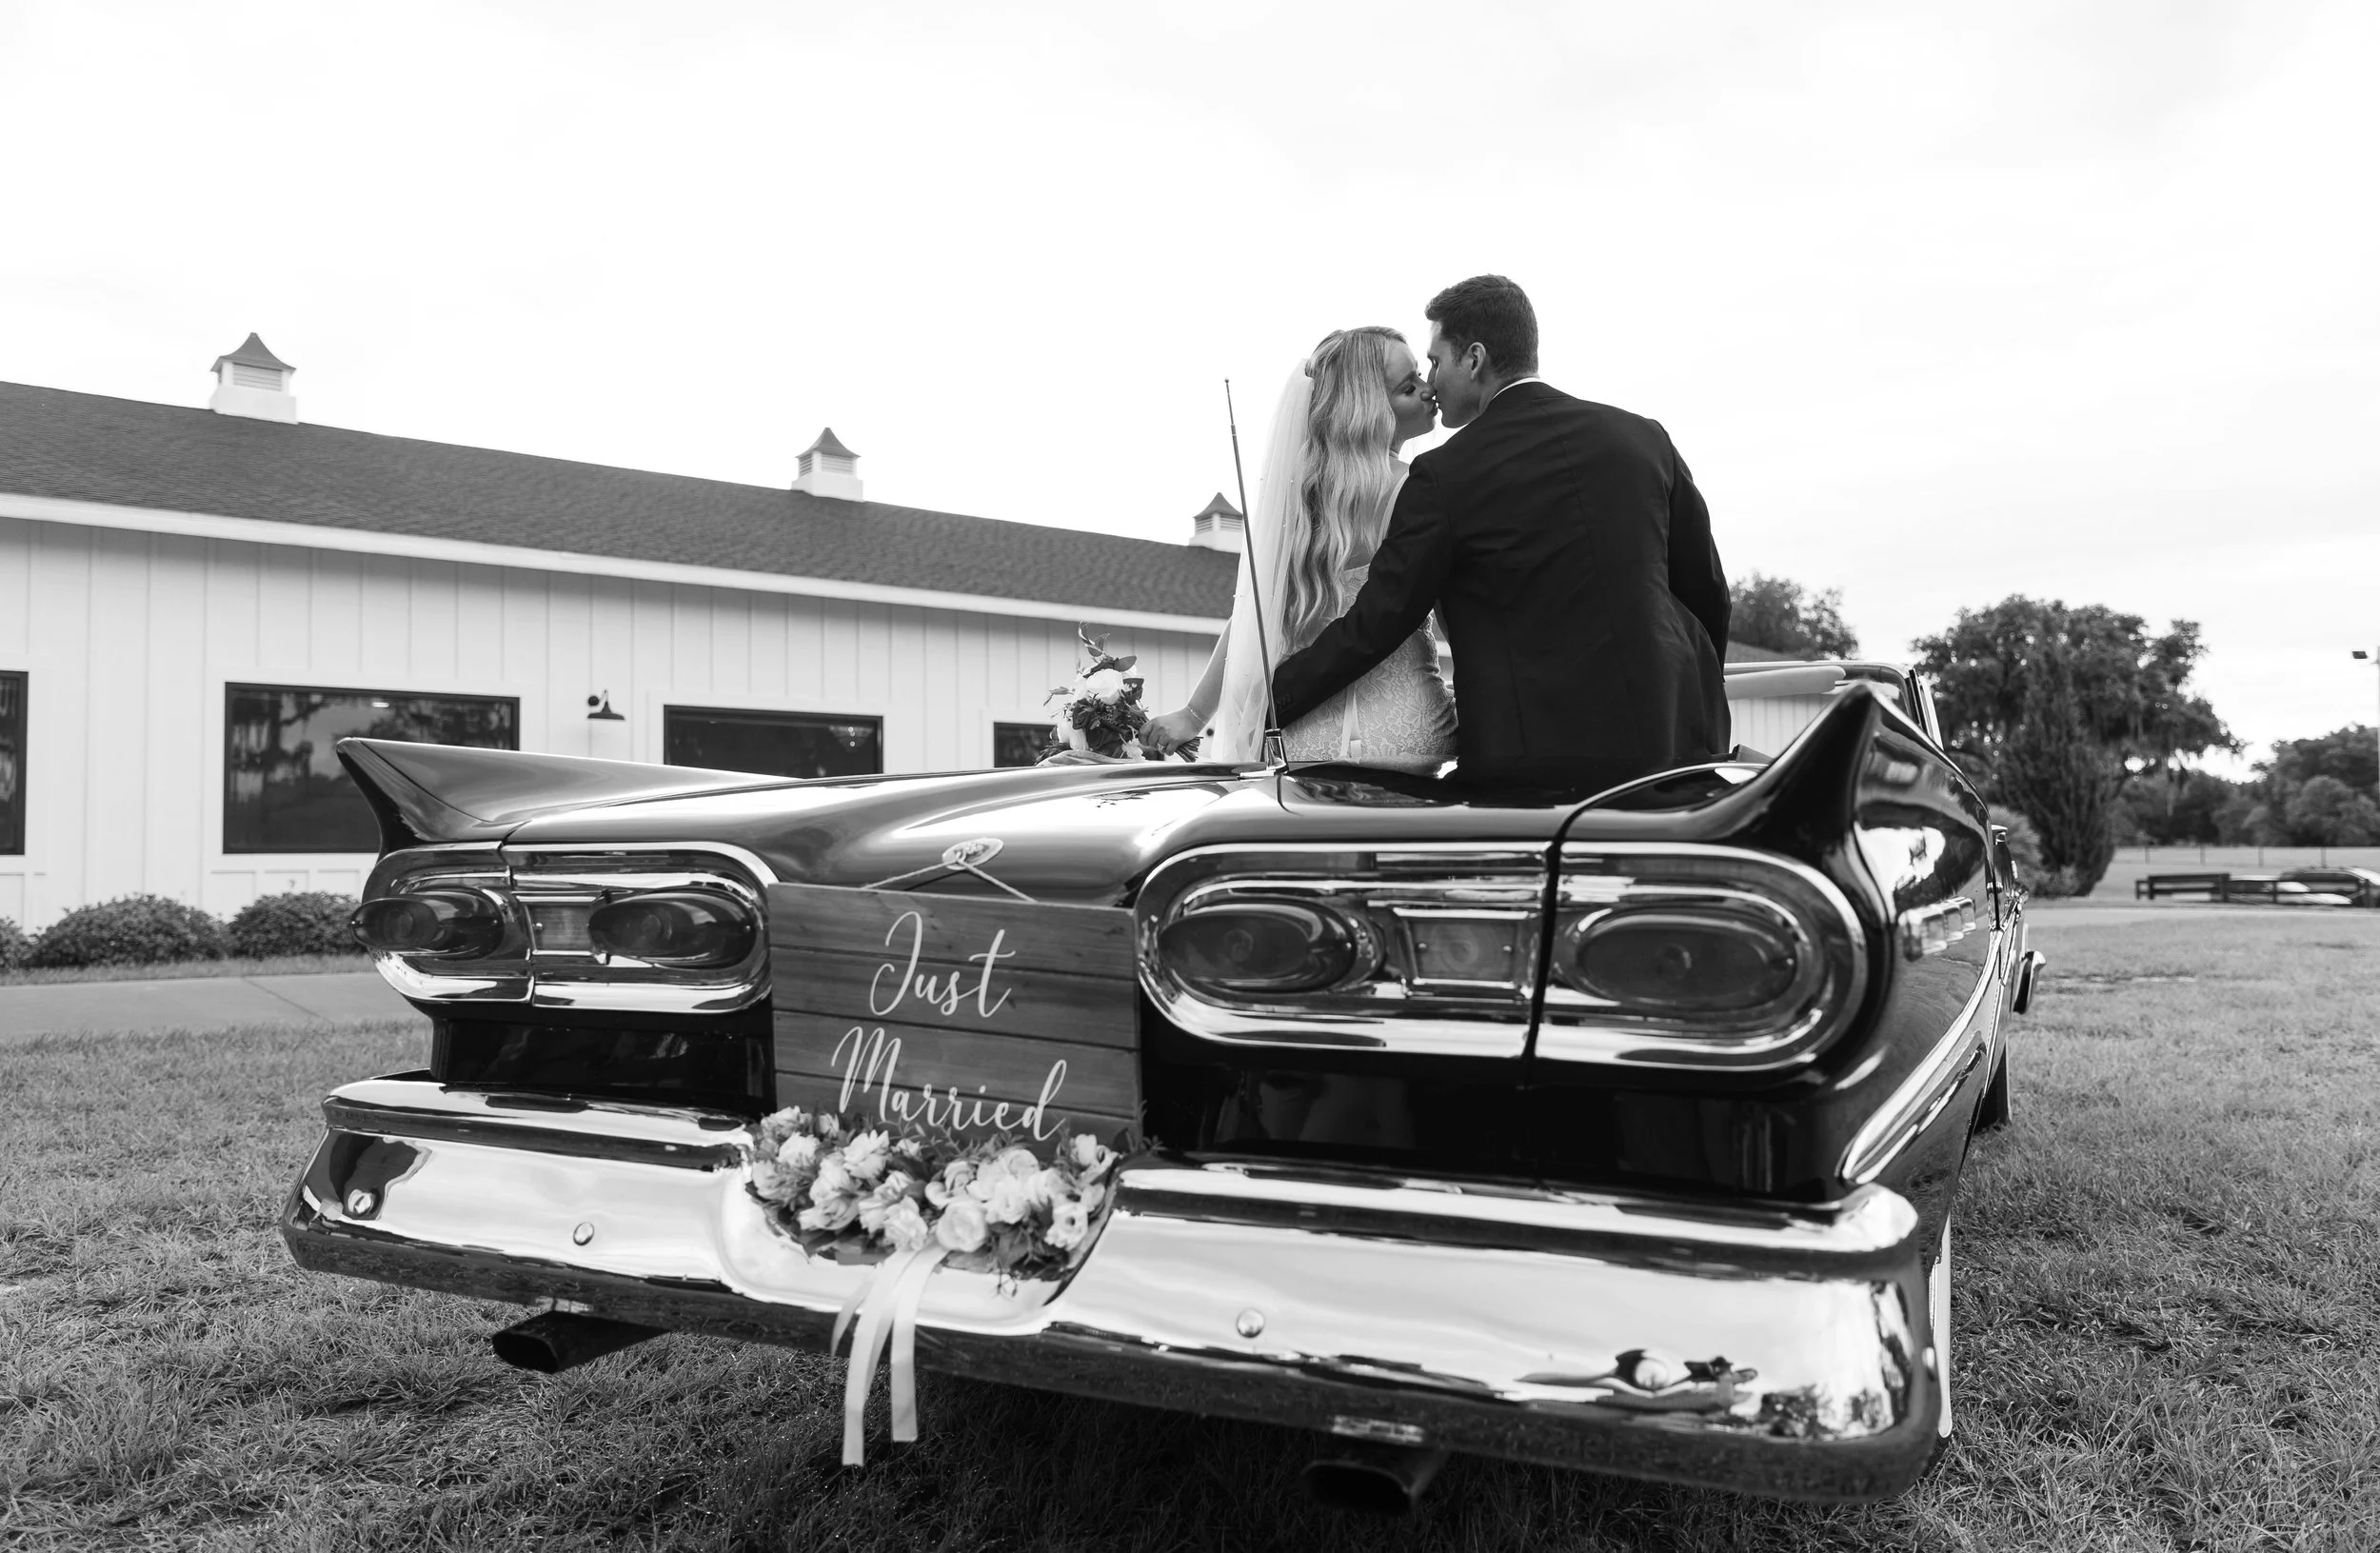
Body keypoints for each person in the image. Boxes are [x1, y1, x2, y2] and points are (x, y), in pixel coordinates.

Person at [1268, 275, 1731, 789]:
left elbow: (1377, 623)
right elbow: (1706, 591)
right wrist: (1696, 702)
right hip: (1671, 754)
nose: (1432, 384)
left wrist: (1266, 703)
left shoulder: (1444, 475)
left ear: (1474, 359)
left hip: (1526, 773)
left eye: (1437, 363)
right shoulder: (1644, 438)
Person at [1143, 327, 1457, 770]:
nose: (1429, 392)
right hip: (1407, 733)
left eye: (1422, 377)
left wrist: (1195, 714)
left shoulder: (1299, 501)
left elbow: (1251, 616)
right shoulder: (1415, 488)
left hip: (1304, 740)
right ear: (1369, 410)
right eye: (1409, 387)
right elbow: (1459, 614)